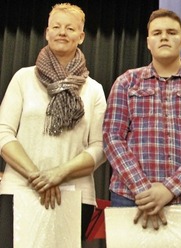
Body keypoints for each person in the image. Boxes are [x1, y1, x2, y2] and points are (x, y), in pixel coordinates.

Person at [103, 8, 181, 231]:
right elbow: (112, 138)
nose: (164, 37)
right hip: (131, 198)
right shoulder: (126, 82)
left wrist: (169, 188)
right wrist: (143, 189)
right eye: (157, 33)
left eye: (171, 32)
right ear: (148, 41)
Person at [0, 3, 106, 246]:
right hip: (20, 189)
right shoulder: (23, 78)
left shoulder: (94, 90)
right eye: (56, 26)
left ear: (81, 37)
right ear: (47, 33)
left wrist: (58, 174)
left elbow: (100, 146)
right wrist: (37, 176)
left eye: (70, 28)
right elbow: (4, 133)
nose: (62, 32)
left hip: (74, 194)